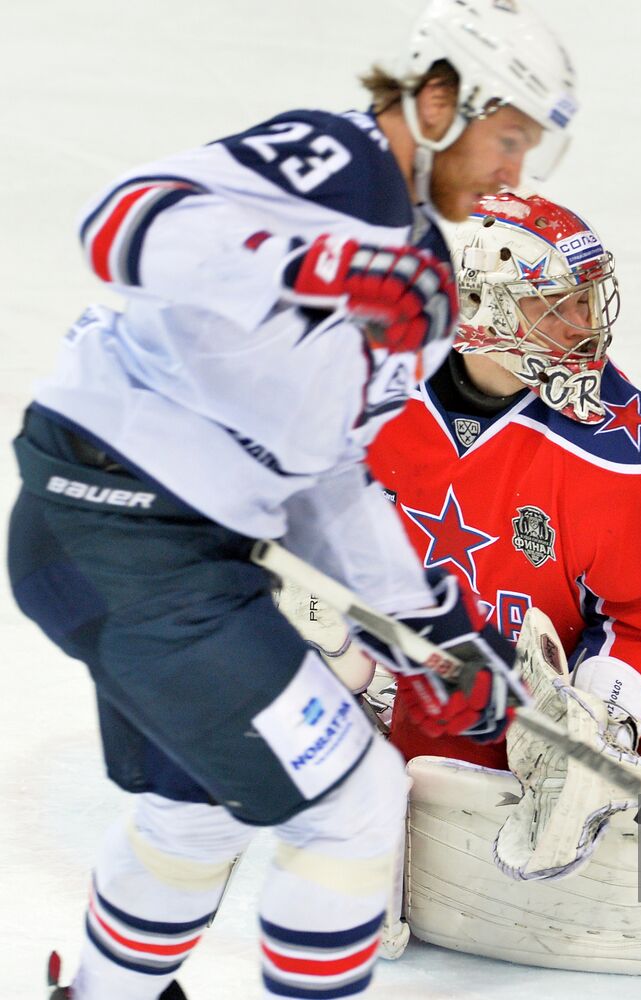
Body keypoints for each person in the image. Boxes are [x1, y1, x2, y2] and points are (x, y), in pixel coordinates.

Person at [7, 3, 576, 998]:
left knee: (198, 808)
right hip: (121, 532)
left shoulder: (422, 279)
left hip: (161, 555)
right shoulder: (332, 160)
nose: (514, 172)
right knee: (355, 805)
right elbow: (121, 225)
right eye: (509, 137)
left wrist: (435, 632)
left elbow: (324, 477)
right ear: (441, 98)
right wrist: (322, 267)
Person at [365, 191, 641, 790]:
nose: (586, 325)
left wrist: (603, 715)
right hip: (489, 637)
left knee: (630, 822)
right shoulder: (369, 395)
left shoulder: (631, 460)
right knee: (435, 789)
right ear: (473, 305)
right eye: (555, 304)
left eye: (586, 299)